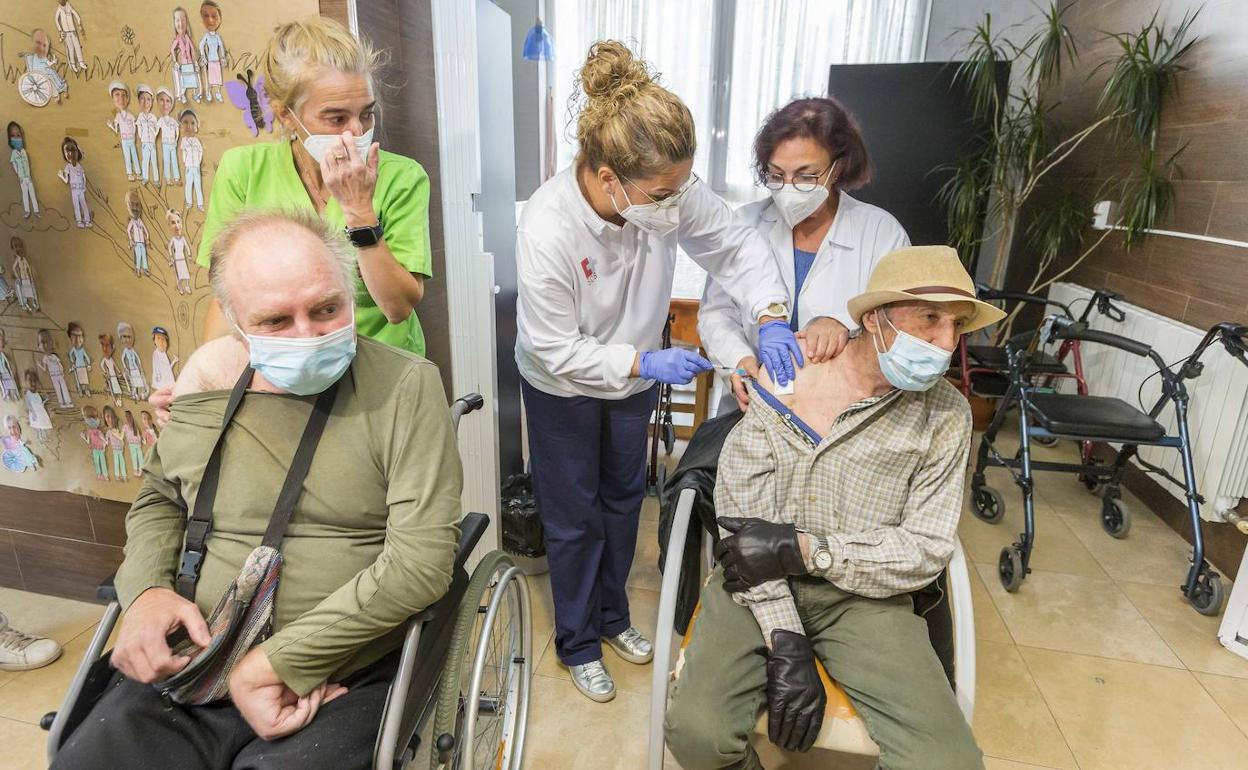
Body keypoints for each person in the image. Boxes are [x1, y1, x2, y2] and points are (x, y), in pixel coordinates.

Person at [52, 208, 463, 769]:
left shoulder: (403, 387)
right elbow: (161, 497)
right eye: (275, 321)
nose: (309, 335)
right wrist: (145, 590)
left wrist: (275, 662)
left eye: (327, 308)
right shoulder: (208, 383)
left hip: (336, 669)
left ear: (350, 291)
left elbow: (420, 563)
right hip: (194, 652)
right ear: (234, 318)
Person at [516, 41, 802, 704]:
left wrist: (771, 314)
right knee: (572, 515)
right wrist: (643, 359)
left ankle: (612, 617)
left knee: (623, 502)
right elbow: (553, 346)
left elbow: (735, 247)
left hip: (635, 379)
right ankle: (577, 640)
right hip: (562, 384)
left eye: (682, 188)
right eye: (662, 193)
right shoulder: (548, 226)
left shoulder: (667, 190)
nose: (676, 206)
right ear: (607, 174)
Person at [664, 245, 1003, 770]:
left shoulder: (945, 415)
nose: (945, 342)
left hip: (865, 597)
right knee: (696, 735)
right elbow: (742, 531)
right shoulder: (786, 380)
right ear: (874, 319)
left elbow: (926, 546)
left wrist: (810, 552)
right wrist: (786, 636)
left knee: (948, 763)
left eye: (957, 325)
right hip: (755, 586)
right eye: (930, 318)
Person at [195, 16, 431, 354]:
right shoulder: (243, 171)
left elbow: (398, 308)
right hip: (287, 364)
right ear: (286, 115)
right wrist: (210, 384)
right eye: (336, 118)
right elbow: (227, 298)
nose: (356, 131)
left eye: (366, 114)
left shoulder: (402, 177)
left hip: (378, 366)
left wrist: (359, 212)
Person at [700, 97, 909, 414]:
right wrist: (738, 362)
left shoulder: (881, 233)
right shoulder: (744, 225)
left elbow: (899, 329)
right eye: (776, 175)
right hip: (754, 402)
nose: (788, 188)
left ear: (837, 168)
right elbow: (716, 313)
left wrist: (845, 328)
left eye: (806, 176)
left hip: (837, 410)